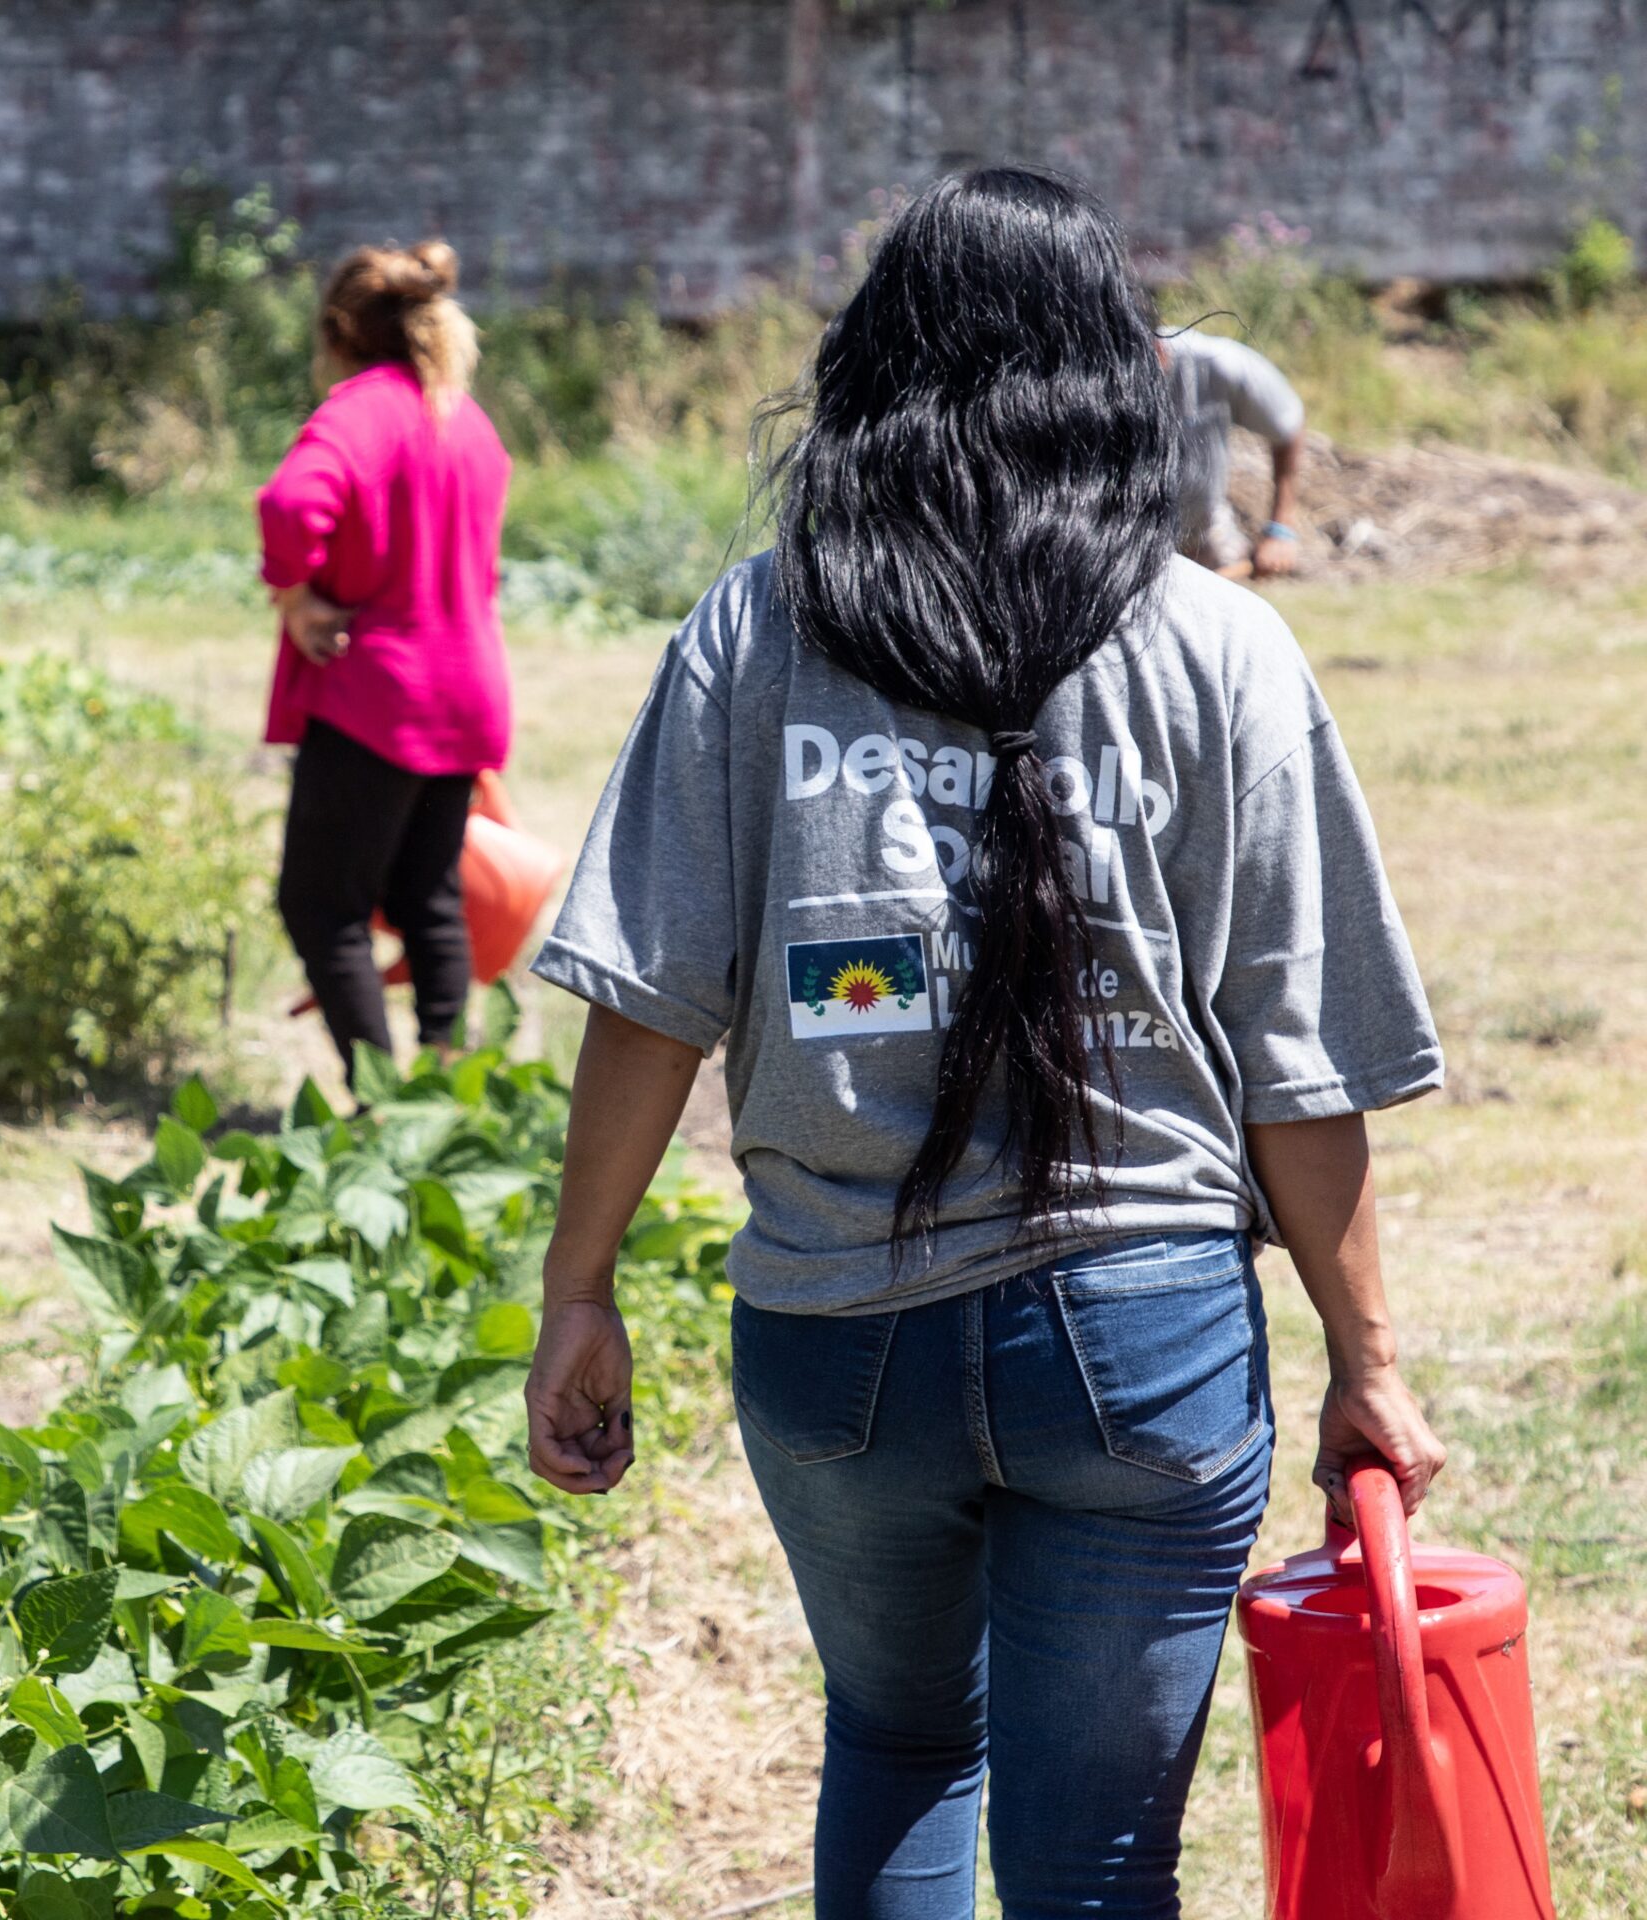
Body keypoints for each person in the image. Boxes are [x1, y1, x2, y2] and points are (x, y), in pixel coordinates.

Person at [522, 170, 1445, 1918]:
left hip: (832, 1341)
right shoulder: (1222, 648)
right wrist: (1366, 1358)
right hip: (1146, 1339)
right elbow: (1299, 1062)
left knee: (898, 1746)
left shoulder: (758, 627)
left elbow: (650, 1001)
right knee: (1096, 1855)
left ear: (879, 369)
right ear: (1119, 382)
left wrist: (580, 1293)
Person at [255, 240, 512, 1081]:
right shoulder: (465, 419)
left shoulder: (360, 410)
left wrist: (295, 598)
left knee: (320, 906)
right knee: (427, 900)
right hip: (465, 691)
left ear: (338, 330)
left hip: (380, 694)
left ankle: (379, 1100)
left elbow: (292, 503)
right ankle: (443, 1087)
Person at [1164, 325, 1305, 579]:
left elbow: (1288, 425)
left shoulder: (1216, 363)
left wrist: (1281, 529)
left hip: (1203, 530)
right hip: (1128, 538)